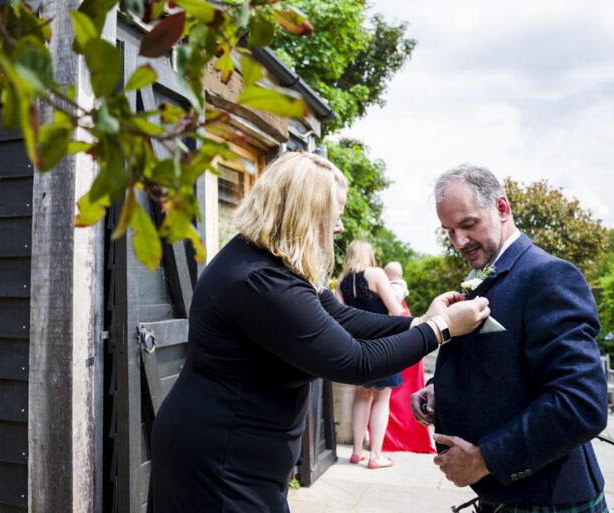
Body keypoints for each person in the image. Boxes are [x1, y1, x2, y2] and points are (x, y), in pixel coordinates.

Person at [148, 151, 490, 513]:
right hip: (220, 458)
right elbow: (353, 361)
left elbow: (342, 318)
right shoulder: (260, 280)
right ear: (304, 211)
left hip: (242, 452)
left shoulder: (278, 264)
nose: (340, 226)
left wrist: (418, 321)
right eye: (335, 214)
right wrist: (441, 329)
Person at [411, 165, 609, 513]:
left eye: (468, 225)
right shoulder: (486, 272)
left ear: (502, 208)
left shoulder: (549, 275)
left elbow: (581, 404)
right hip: (504, 496)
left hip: (549, 499)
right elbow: (499, 364)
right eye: (449, 231)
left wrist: (485, 459)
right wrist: (439, 386)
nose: (459, 242)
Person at [336, 241, 406, 468]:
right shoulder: (376, 274)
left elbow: (339, 316)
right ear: (369, 254)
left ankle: (357, 452)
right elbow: (396, 310)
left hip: (356, 346)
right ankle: (375, 455)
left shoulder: (341, 281)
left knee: (362, 396)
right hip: (382, 345)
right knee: (382, 398)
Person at [380, 261, 436, 455]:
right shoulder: (400, 293)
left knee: (395, 398)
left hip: (398, 350)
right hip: (407, 352)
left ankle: (392, 437)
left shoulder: (390, 292)